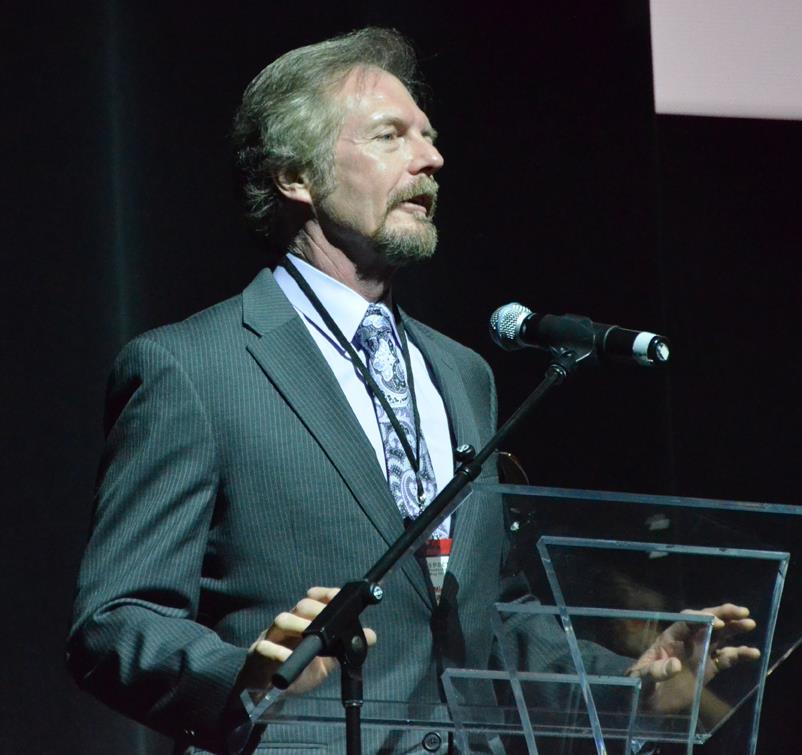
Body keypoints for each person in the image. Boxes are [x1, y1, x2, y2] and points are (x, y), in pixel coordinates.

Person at [67, 27, 758, 755]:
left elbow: (487, 615)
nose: (430, 158)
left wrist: (633, 682)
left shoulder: (463, 374)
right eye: (390, 136)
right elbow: (115, 620)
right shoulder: (193, 368)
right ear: (295, 176)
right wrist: (245, 676)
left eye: (428, 137)